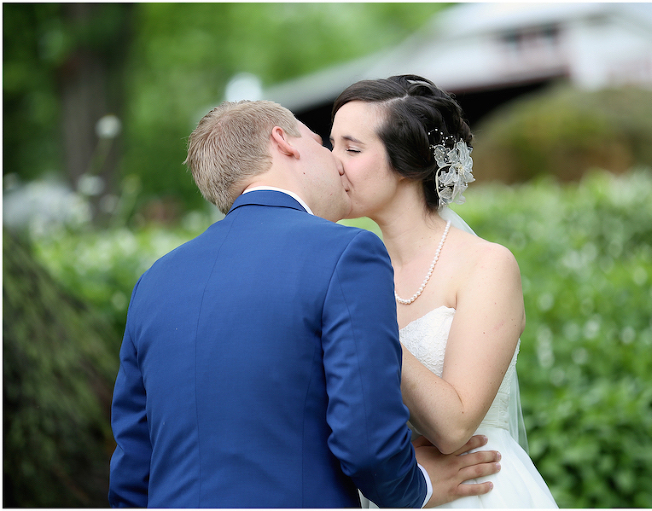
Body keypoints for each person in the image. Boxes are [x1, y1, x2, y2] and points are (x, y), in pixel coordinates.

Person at [108, 100, 503, 508]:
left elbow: (132, 468)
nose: (335, 162)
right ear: (284, 142)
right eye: (319, 141)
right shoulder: (345, 252)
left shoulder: (154, 281)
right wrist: (415, 487)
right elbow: (366, 438)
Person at [330, 75, 558, 508]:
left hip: (479, 489)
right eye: (331, 144)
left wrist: (365, 325)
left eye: (352, 148)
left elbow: (454, 426)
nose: (332, 162)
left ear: (409, 164)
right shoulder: (352, 270)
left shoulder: (486, 265)